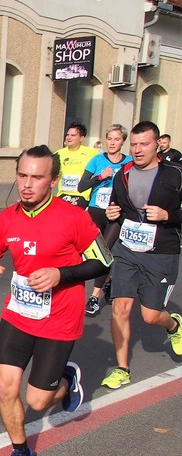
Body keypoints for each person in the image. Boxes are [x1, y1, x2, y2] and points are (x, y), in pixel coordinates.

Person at [0, 145, 111, 456]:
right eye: (22, 175)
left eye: (36, 177)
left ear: (53, 181)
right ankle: (20, 452)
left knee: (38, 401)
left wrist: (60, 274)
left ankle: (66, 380)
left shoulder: (73, 217)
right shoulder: (8, 217)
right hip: (18, 314)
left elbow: (103, 260)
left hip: (59, 317)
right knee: (6, 388)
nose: (27, 184)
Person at [101, 121, 182, 390]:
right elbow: (117, 207)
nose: (137, 150)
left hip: (161, 253)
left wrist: (168, 216)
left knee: (150, 315)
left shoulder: (174, 174)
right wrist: (112, 213)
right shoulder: (121, 174)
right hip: (127, 250)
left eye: (143, 144)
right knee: (120, 308)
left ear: (157, 144)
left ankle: (173, 325)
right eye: (133, 144)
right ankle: (122, 368)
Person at [79, 124, 130, 316]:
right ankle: (108, 280)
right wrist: (101, 176)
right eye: (109, 139)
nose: (112, 143)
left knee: (104, 252)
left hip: (116, 213)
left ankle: (94, 297)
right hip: (96, 211)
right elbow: (81, 186)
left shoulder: (129, 162)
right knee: (95, 253)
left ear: (123, 141)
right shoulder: (97, 160)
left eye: (117, 139)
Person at [55, 122, 99, 209]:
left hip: (81, 196)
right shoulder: (58, 153)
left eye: (73, 135)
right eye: (67, 135)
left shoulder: (92, 153)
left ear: (81, 138)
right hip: (63, 195)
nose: (69, 137)